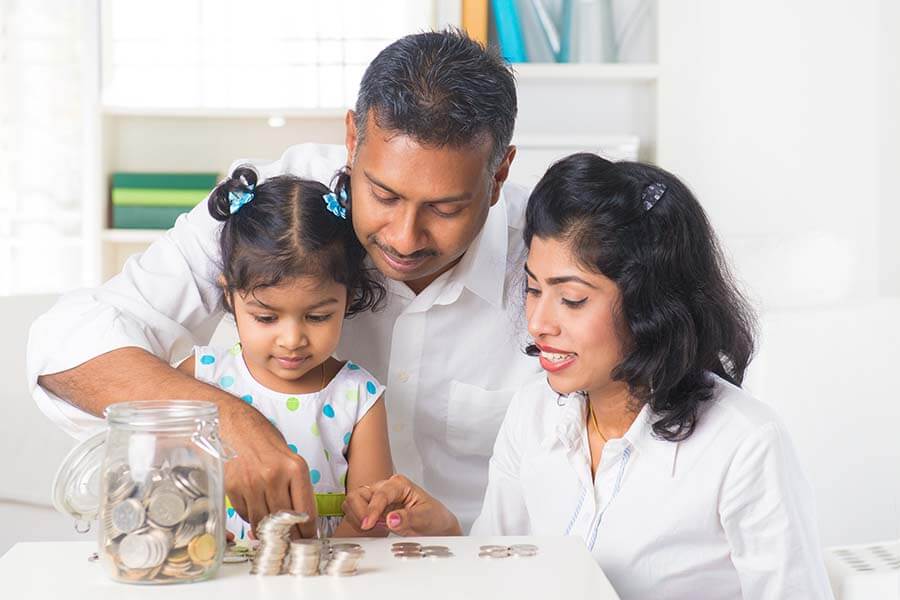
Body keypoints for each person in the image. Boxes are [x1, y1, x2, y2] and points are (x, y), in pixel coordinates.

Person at [27, 29, 541, 534]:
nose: (405, 239)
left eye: (445, 208)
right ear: (352, 139)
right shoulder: (282, 208)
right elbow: (65, 346)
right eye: (383, 196)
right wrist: (225, 422)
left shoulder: (549, 256)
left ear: (497, 176)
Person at [342, 154, 835, 599]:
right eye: (533, 289)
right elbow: (501, 581)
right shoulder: (532, 413)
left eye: (572, 299)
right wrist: (447, 534)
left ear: (650, 304)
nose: (539, 323)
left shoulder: (744, 445)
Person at [176, 167, 392, 538]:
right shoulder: (201, 376)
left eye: (317, 316)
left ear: (349, 298)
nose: (292, 339)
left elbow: (372, 522)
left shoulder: (358, 397)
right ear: (229, 295)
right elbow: (156, 475)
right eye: (266, 317)